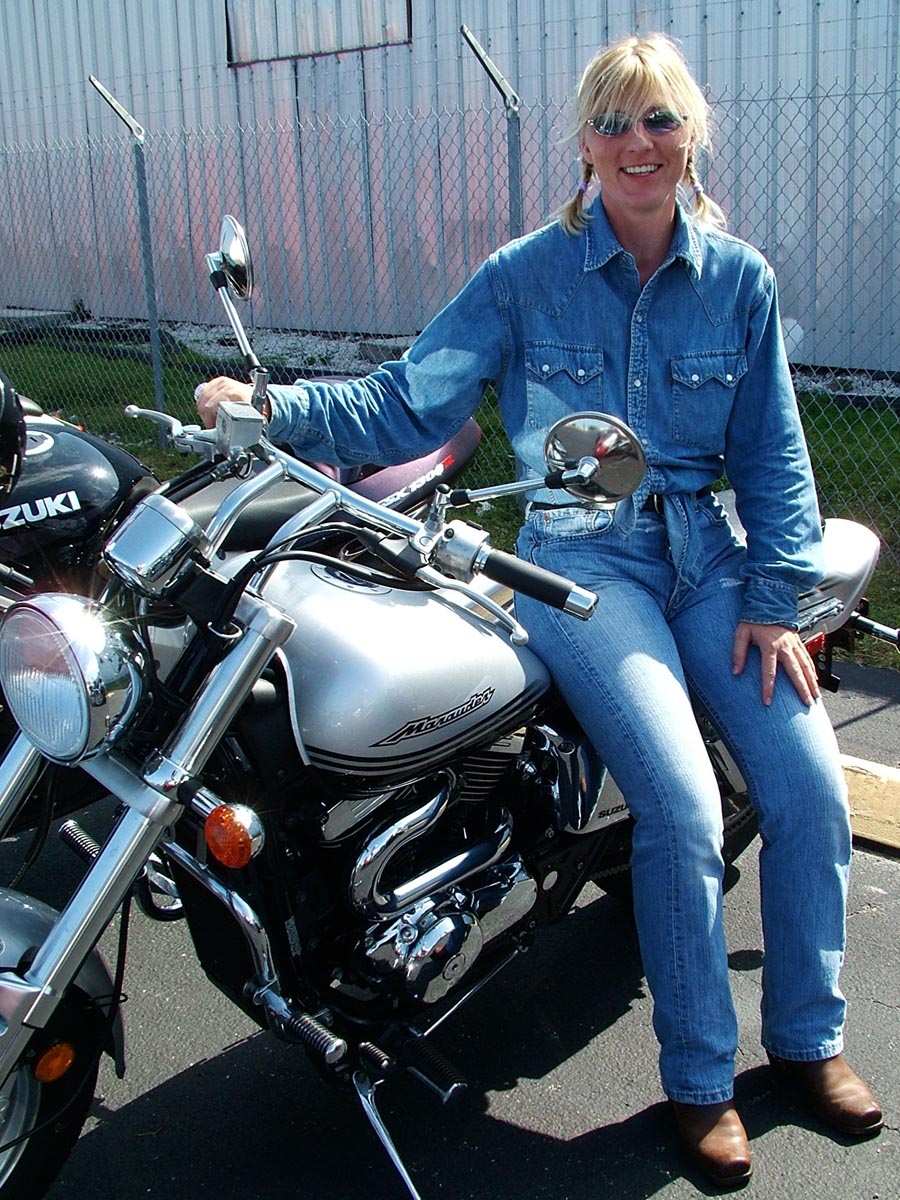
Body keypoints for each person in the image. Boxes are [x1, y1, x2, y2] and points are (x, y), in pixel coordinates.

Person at [196, 33, 883, 1189]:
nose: (636, 142)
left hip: (708, 563)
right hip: (583, 567)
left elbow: (774, 454)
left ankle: (810, 1042)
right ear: (583, 143)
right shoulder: (524, 273)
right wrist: (274, 409)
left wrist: (775, 602)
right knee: (679, 806)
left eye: (657, 119)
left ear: (692, 136)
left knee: (811, 783)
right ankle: (701, 1083)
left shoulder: (739, 281)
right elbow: (406, 401)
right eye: (612, 122)